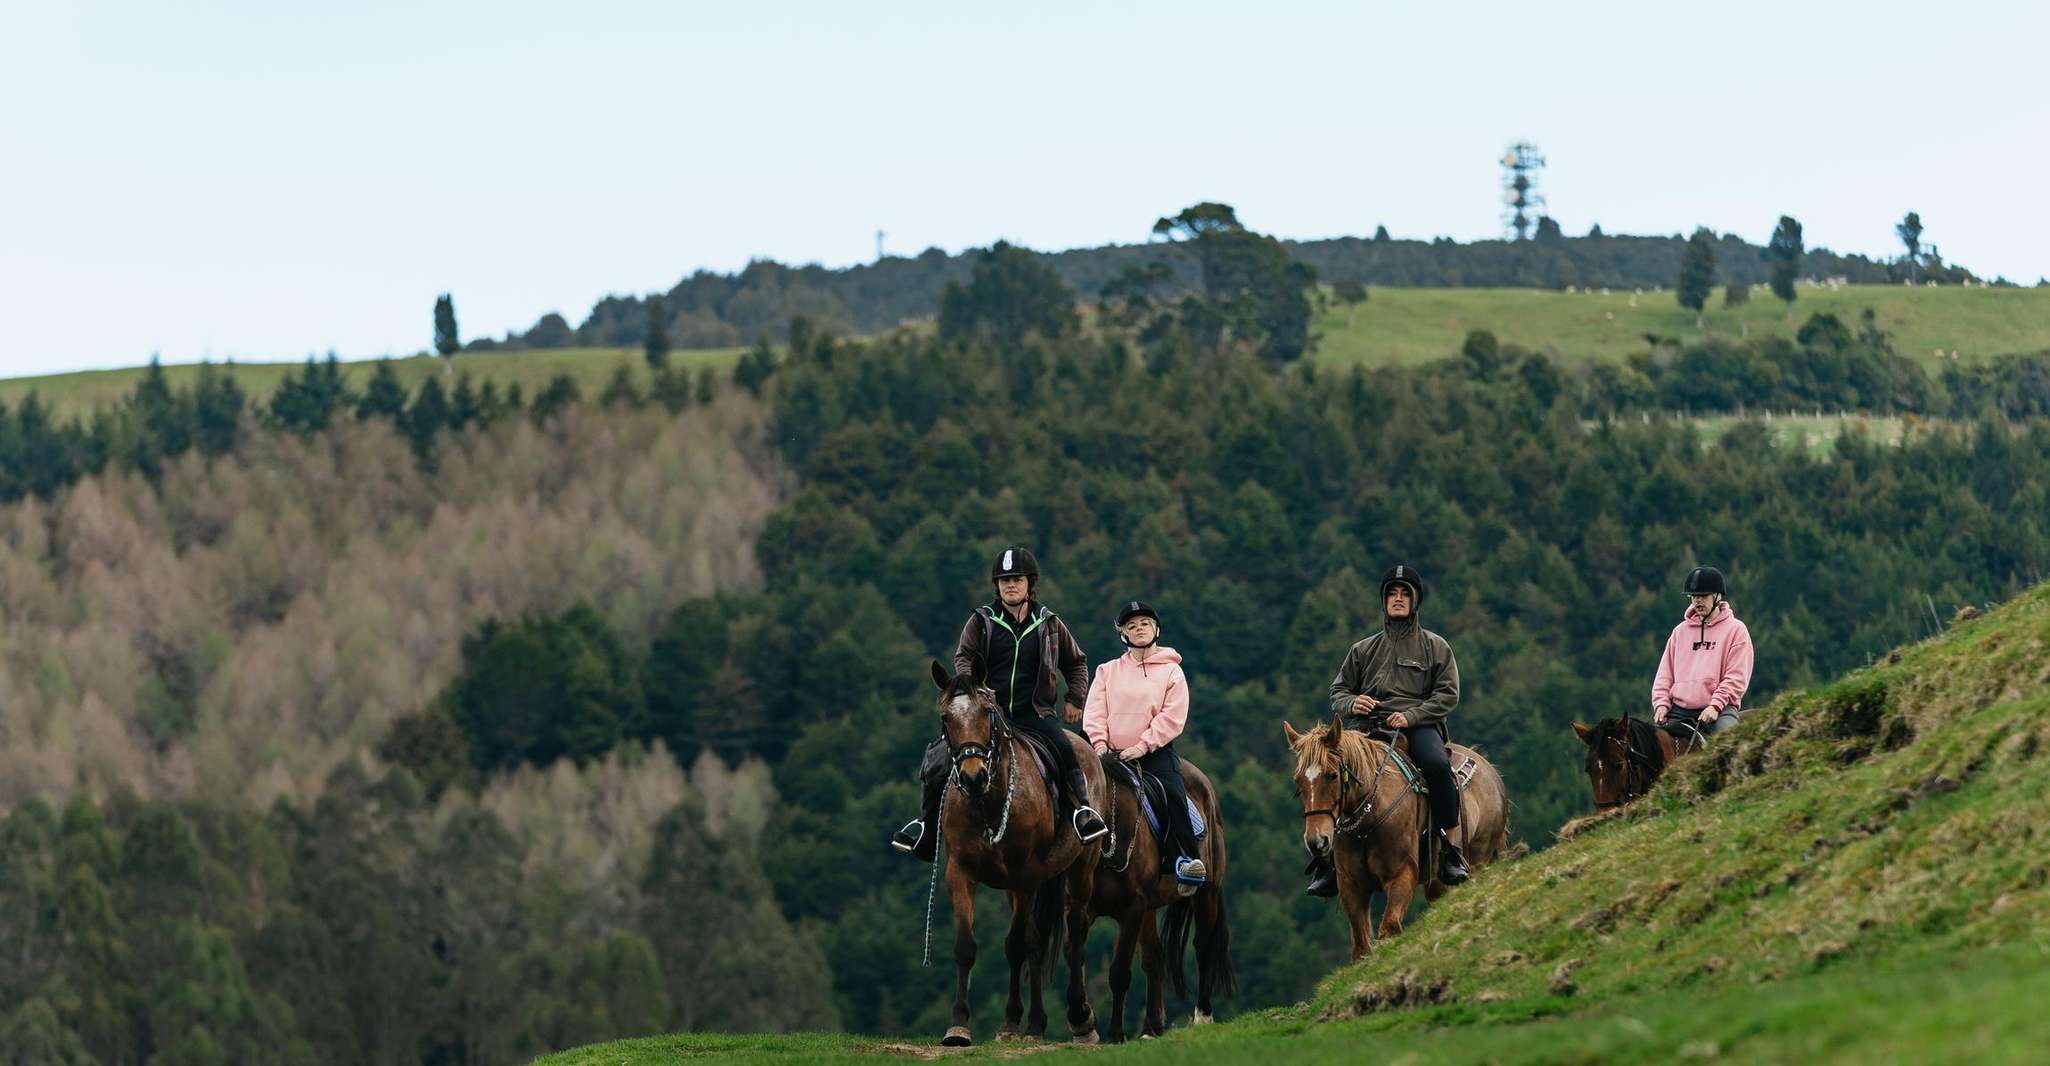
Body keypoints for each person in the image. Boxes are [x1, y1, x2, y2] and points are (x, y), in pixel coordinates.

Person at [891, 546, 1108, 860]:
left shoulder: (1048, 623)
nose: (1010, 585)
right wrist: (973, 689)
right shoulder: (981, 621)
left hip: (1034, 713)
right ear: (997, 586)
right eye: (1004, 580)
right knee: (938, 756)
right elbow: (963, 658)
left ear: (1029, 583)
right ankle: (925, 827)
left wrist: (1075, 697)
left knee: (1065, 751)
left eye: (1016, 579)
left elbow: (1076, 663)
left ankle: (1083, 813)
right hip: (987, 713)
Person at [1308, 564, 1468, 897]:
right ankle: (1327, 865)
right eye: (1391, 594)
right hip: (1366, 729)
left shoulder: (1435, 647)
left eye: (1404, 594)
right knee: (1325, 772)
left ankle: (1450, 852)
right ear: (1384, 601)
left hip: (1418, 727)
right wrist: (1353, 704)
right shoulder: (1362, 649)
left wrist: (1412, 715)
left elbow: (1448, 694)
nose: (1397, 599)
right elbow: (1338, 691)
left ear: (1415, 601)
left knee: (1437, 767)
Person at [1082, 600, 1206, 892]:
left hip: (1153, 752)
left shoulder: (1172, 672)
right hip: (1108, 754)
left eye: (1145, 624)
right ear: (1123, 634)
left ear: (1156, 629)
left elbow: (1172, 715)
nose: (1139, 629)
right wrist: (1099, 746)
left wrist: (1142, 746)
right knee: (1076, 791)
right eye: (1132, 626)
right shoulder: (1106, 671)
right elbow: (1095, 711)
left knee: (1173, 792)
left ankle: (1186, 861)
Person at [1652, 566, 1754, 744]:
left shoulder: (1737, 630)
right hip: (1678, 711)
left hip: (1719, 710)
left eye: (1703, 596)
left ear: (1717, 596)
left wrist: (1715, 705)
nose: (1697, 601)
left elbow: (1736, 677)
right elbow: (1664, 675)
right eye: (1693, 596)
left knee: (1729, 747)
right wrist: (1661, 705)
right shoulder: (1679, 632)